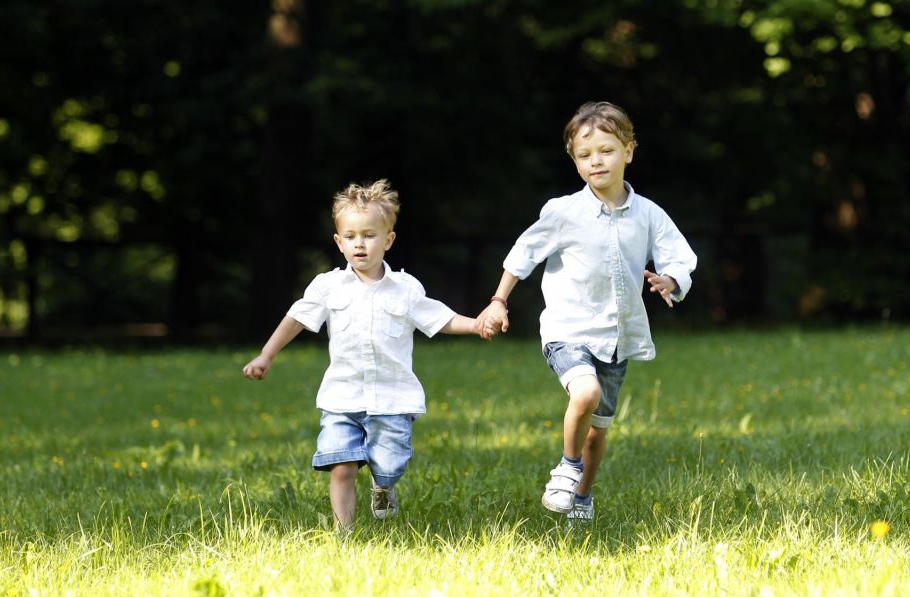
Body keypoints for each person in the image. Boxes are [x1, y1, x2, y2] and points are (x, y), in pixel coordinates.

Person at [475, 101, 697, 522]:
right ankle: (567, 467)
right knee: (585, 392)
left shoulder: (648, 214)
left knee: (599, 430)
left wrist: (670, 280)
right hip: (568, 329)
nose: (596, 161)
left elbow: (680, 257)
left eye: (607, 150)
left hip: (617, 337)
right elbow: (522, 255)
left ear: (628, 151)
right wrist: (499, 301)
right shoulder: (563, 212)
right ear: (574, 161)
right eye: (585, 154)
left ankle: (582, 495)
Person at [243, 179, 496, 531]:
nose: (359, 243)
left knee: (389, 465)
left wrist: (476, 325)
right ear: (339, 242)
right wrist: (266, 356)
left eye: (369, 235)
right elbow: (296, 319)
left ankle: (383, 485)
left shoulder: (406, 289)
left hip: (392, 398)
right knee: (341, 465)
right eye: (350, 236)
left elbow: (439, 317)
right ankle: (344, 535)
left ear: (388, 240)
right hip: (342, 396)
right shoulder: (327, 287)